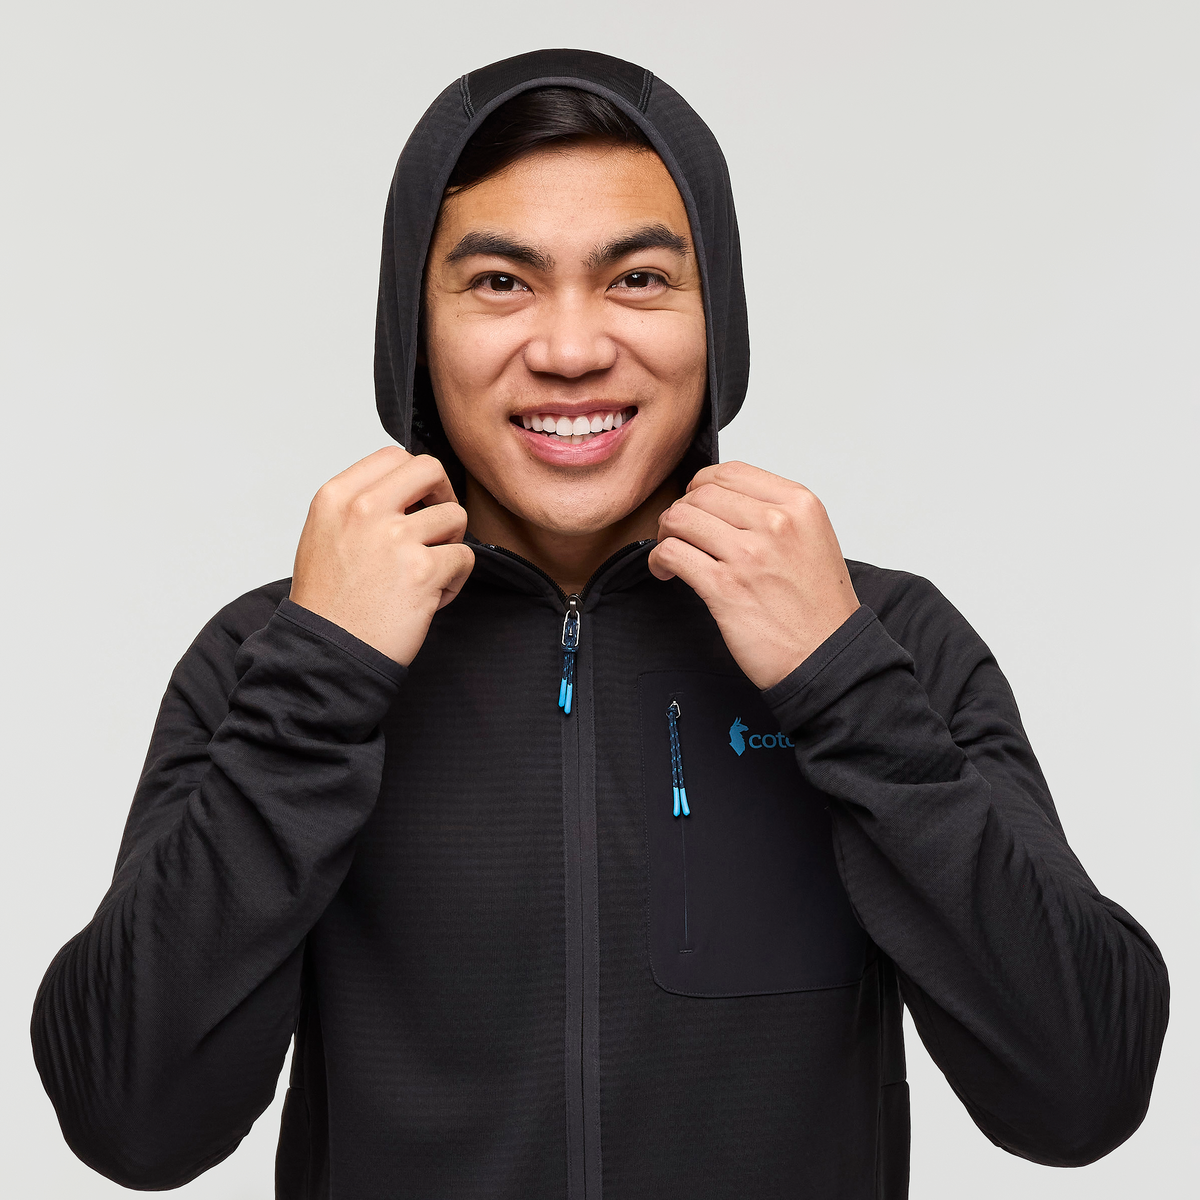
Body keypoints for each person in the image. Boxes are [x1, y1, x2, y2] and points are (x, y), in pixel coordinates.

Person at [31, 48, 1168, 1200]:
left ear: (717, 319)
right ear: (413, 329)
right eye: (500, 283)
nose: (571, 351)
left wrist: (841, 683)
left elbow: (1081, 1092)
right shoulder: (279, 658)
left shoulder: (883, 641)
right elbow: (131, 1121)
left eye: (638, 279)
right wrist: (320, 681)